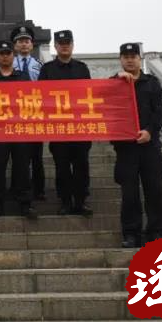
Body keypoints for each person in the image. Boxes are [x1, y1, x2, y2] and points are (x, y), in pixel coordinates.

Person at [112, 42, 162, 248]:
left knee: (155, 191)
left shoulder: (152, 83)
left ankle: (156, 232)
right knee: (129, 193)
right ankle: (131, 233)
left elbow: (159, 112)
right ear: (120, 59)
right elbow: (107, 112)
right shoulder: (113, 84)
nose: (129, 59)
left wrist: (150, 132)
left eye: (133, 56)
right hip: (126, 149)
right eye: (125, 56)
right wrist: (118, 80)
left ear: (139, 59)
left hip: (149, 147)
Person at [39, 29, 93, 216]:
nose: (64, 46)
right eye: (61, 43)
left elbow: (89, 95)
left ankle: (81, 201)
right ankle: (65, 201)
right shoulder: (47, 70)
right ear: (55, 46)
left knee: (81, 166)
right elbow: (41, 98)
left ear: (72, 45)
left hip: (80, 127)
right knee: (61, 167)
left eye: (67, 43)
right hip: (58, 128)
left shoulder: (82, 68)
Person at [0, 42, 36, 219]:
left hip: (20, 129)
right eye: (1, 53)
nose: (5, 56)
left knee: (22, 166)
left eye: (8, 53)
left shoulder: (23, 78)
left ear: (13, 55)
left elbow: (31, 103)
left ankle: (25, 203)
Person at [11, 24, 45, 201]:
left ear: (32, 45)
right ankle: (17, 187)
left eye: (26, 41)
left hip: (33, 114)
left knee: (36, 155)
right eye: (20, 41)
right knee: (18, 156)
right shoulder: (8, 65)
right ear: (15, 45)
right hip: (14, 115)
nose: (23, 44)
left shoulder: (40, 66)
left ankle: (39, 189)